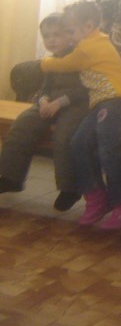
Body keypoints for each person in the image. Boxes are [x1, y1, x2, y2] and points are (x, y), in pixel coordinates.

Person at [39, 0, 121, 230]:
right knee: (78, 143)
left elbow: (65, 64)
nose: (69, 37)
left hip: (116, 101)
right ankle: (96, 197)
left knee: (107, 148)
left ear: (88, 26)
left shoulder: (90, 46)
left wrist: (42, 63)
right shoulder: (90, 42)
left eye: (71, 32)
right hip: (100, 104)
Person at [0, 13, 88, 211]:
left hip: (75, 105)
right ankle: (11, 177)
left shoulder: (79, 58)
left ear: (70, 36)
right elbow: (45, 88)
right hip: (51, 103)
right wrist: (43, 101)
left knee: (64, 136)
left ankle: (69, 188)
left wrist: (59, 103)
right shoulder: (51, 62)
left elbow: (83, 90)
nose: (51, 40)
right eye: (47, 36)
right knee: (23, 123)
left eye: (57, 35)